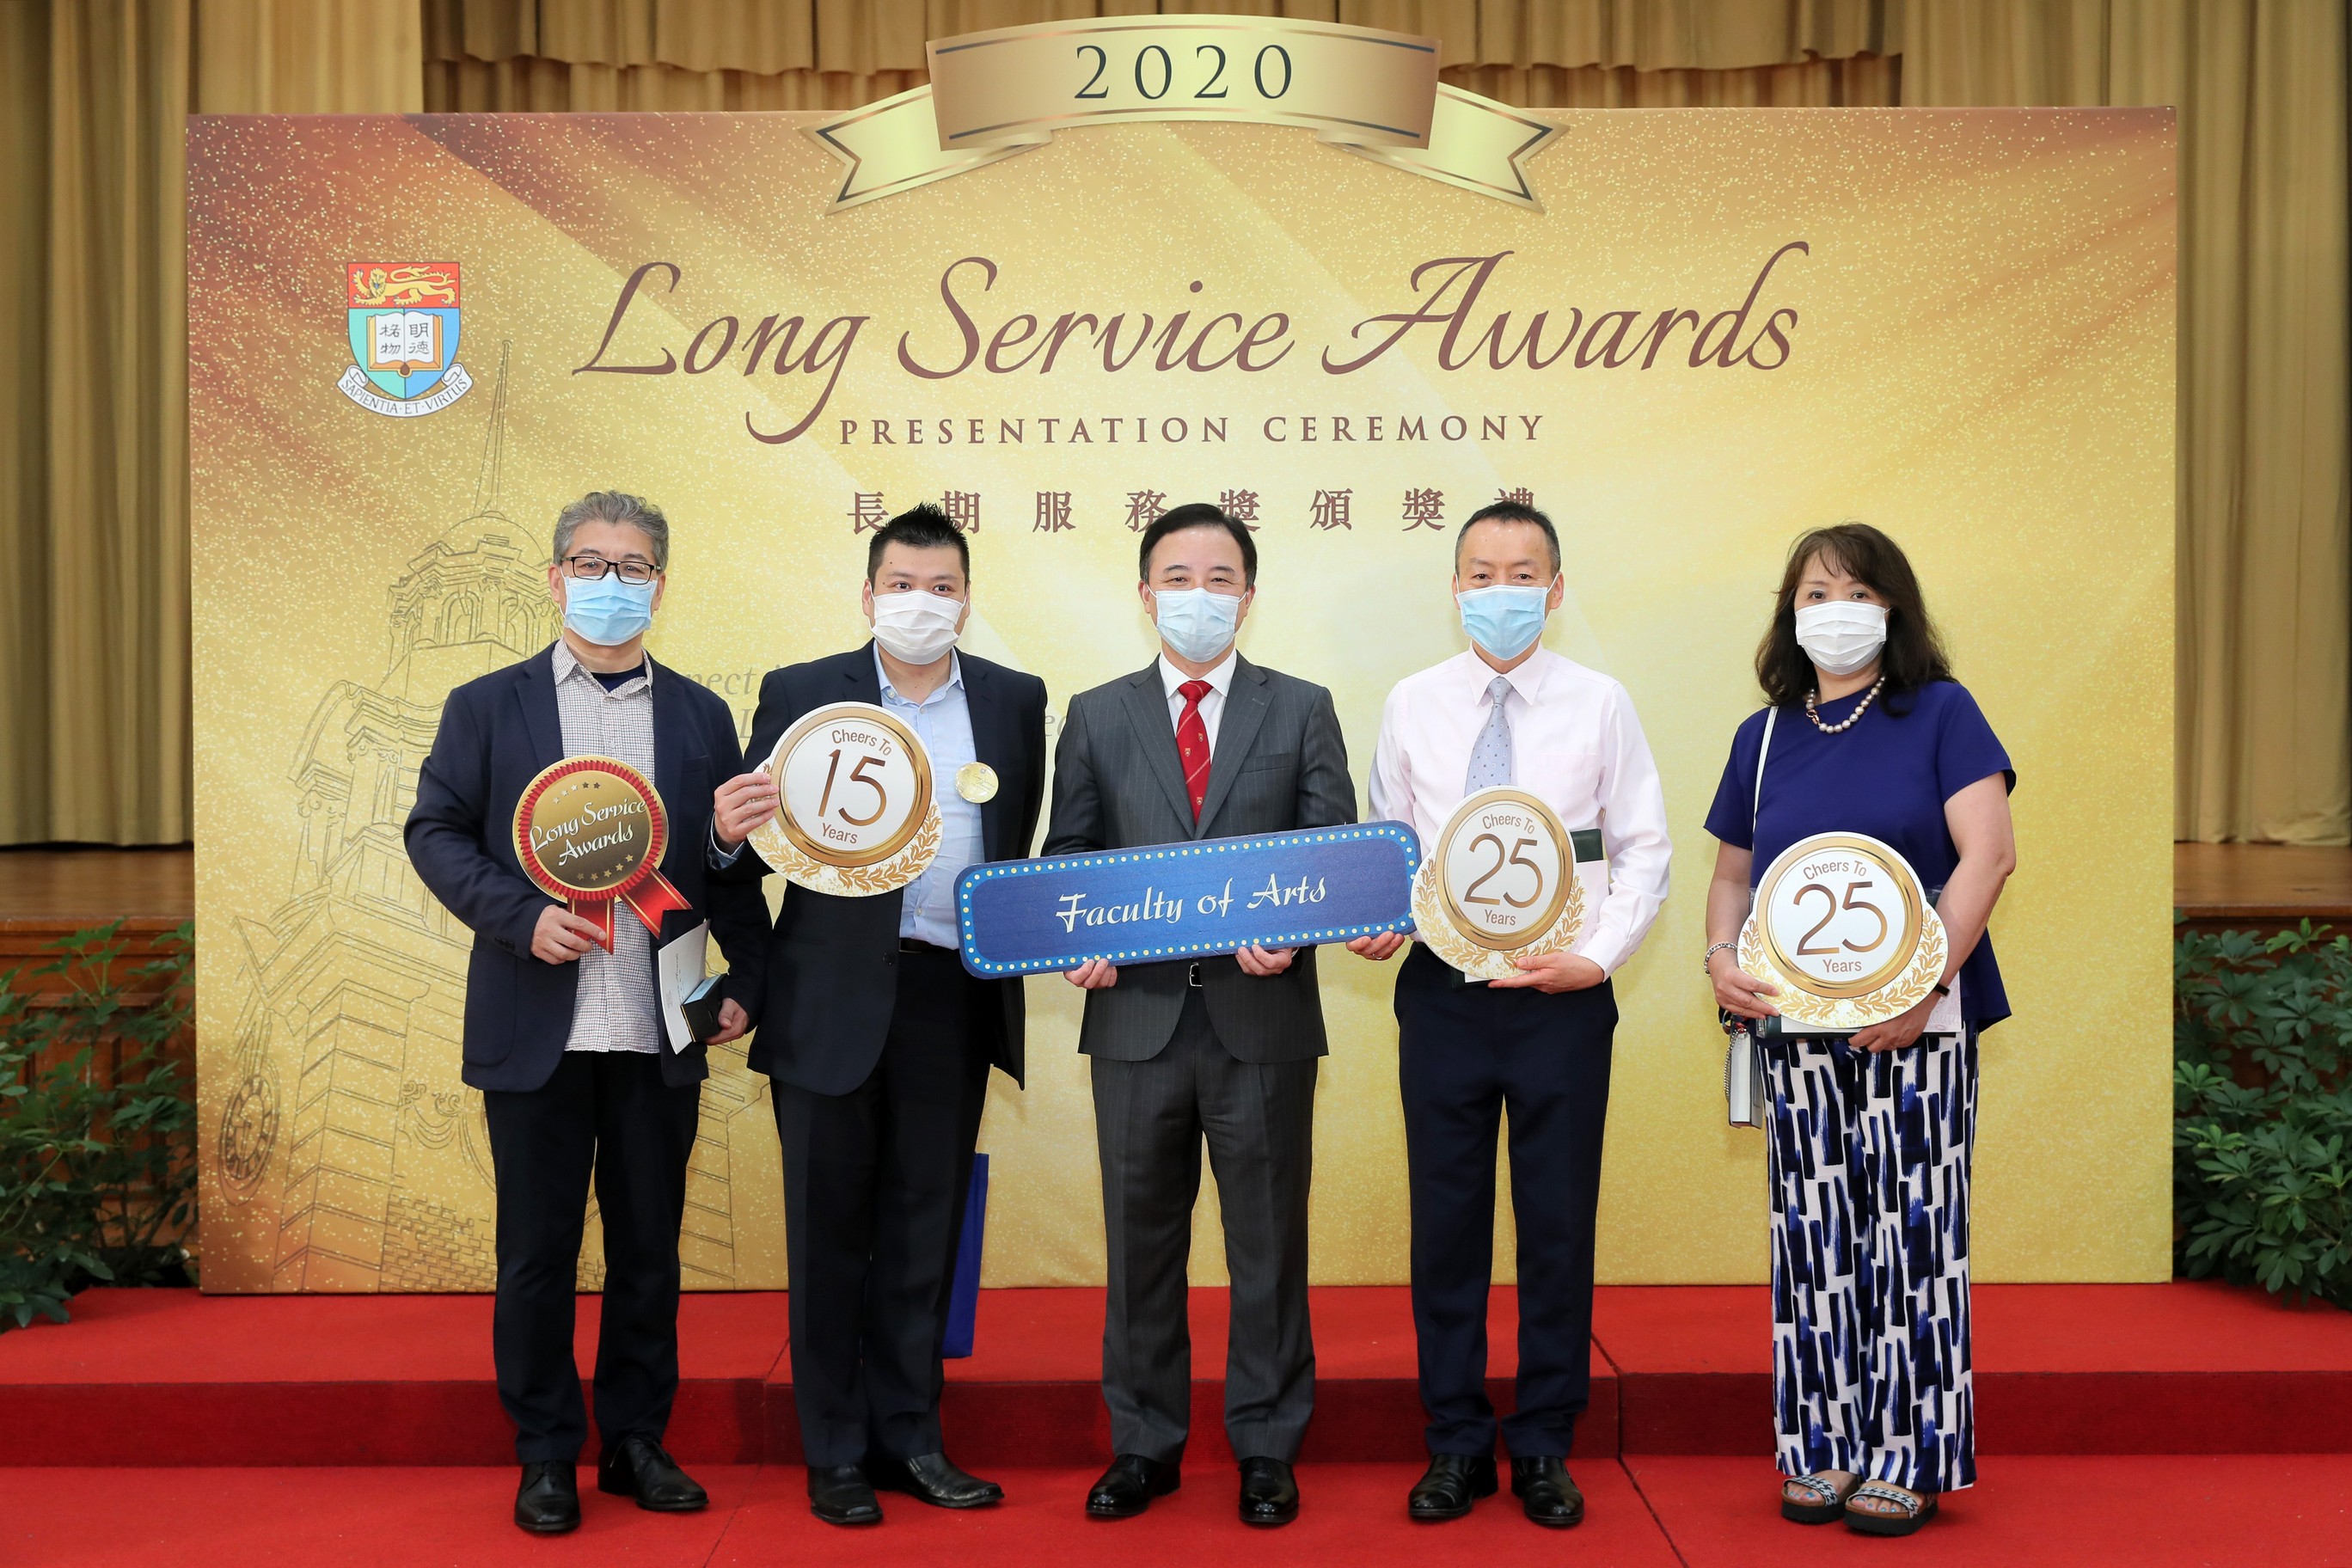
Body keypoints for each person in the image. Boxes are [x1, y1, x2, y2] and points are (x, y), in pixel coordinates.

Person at [406, 491, 770, 1536]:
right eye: (592, 563)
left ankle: (636, 1441)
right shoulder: (488, 706)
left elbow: (724, 867)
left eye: (634, 566)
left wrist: (746, 983)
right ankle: (545, 1453)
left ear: (661, 583)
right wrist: (522, 918)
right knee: (537, 1255)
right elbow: (435, 832)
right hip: (540, 1028)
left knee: (650, 1251)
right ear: (557, 577)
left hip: (660, 1025)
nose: (613, 582)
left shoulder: (700, 715)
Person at [710, 503, 1047, 1528]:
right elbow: (746, 855)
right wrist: (723, 837)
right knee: (827, 1233)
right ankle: (834, 1452)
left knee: (922, 1228)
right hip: (826, 999)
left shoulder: (1015, 699)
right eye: (902, 586)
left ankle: (911, 1438)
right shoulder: (802, 694)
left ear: (966, 602)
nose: (921, 603)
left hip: (952, 995)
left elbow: (1018, 847)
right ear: (868, 595)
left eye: (941, 588)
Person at [1358, 499, 1671, 1529]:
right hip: (1442, 998)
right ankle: (1454, 1442)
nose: (1502, 591)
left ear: (1557, 588)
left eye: (1523, 574)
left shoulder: (1600, 702)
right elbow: (1390, 841)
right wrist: (1379, 917)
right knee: (1446, 1226)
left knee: (1557, 1225)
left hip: (1561, 1001)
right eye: (1482, 574)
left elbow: (1643, 848)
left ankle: (1542, 1443)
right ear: (1455, 588)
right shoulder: (1411, 702)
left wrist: (1595, 958)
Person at [1700, 523, 2015, 1538]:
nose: (1834, 612)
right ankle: (1823, 1447)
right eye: (1814, 595)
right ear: (1790, 615)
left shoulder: (1943, 713)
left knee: (1913, 1235)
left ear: (1894, 607)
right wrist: (1721, 959)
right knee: (1815, 1240)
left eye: (1856, 593)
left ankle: (1909, 1455)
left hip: (1917, 1023)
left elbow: (1987, 857)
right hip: (1796, 1028)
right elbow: (1732, 879)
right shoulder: (1762, 738)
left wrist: (1924, 983)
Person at [1044, 501, 1355, 1528]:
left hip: (1261, 1020)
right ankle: (1144, 1444)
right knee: (1140, 1246)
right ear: (1145, 595)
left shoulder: (1300, 708)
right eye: (1177, 578)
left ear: (1248, 597)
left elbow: (1329, 856)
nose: (1198, 597)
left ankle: (1267, 1445)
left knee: (1268, 1244)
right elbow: (1068, 856)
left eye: (1219, 579)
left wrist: (1298, 932)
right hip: (1134, 1022)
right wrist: (1074, 933)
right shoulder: (1097, 714)